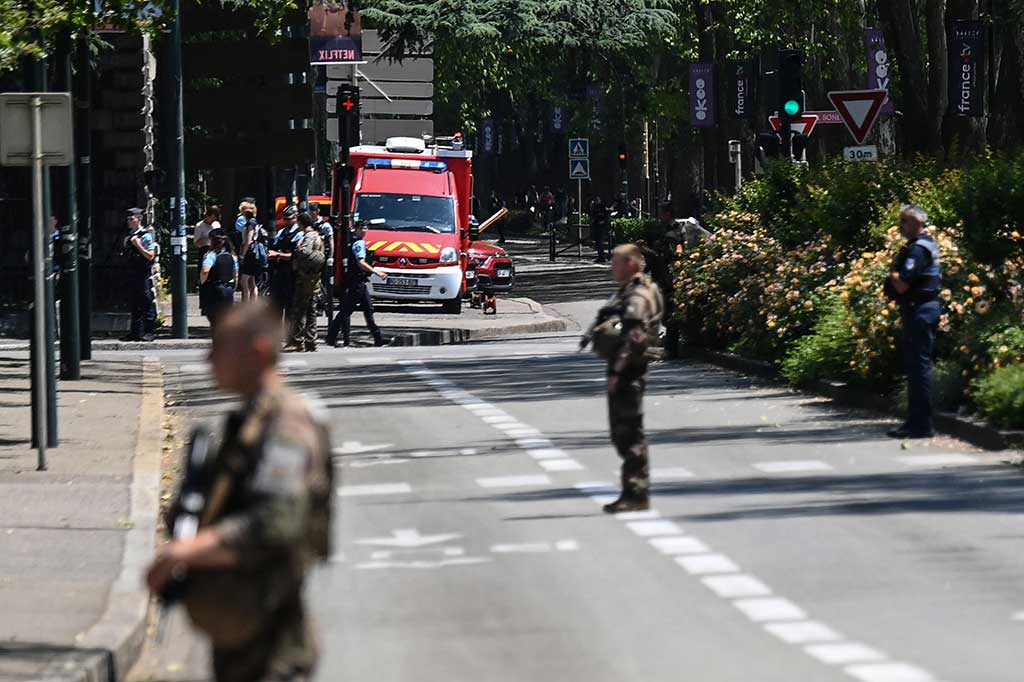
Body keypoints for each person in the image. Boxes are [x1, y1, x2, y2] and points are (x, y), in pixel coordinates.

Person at [146, 301, 333, 682]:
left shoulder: (286, 425)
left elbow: (277, 521)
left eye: (220, 346)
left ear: (257, 352)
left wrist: (184, 552)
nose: (209, 357)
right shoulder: (251, 419)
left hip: (271, 637)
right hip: (242, 625)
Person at [582, 244, 663, 513]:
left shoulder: (638, 294)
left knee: (628, 432)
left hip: (628, 368)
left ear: (631, 263)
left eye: (616, 262)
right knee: (624, 433)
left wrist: (618, 370)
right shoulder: (632, 288)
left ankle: (636, 493)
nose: (611, 267)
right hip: (628, 367)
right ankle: (633, 491)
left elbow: (636, 335)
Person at [885, 205, 942, 439]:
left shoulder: (918, 249)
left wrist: (892, 273)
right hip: (922, 309)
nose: (901, 225)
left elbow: (903, 284)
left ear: (918, 222)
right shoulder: (927, 244)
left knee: (918, 369)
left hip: (920, 310)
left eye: (905, 221)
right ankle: (916, 422)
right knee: (917, 367)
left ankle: (920, 424)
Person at [326, 220, 388, 347]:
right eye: (362, 228)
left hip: (359, 281)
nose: (364, 230)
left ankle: (378, 338)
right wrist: (376, 272)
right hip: (357, 282)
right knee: (346, 311)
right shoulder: (358, 242)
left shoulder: (352, 240)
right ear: (356, 229)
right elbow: (361, 263)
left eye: (366, 227)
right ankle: (331, 337)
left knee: (368, 309)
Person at [638, 201, 684, 357]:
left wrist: (646, 251)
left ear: (668, 213)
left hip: (669, 276)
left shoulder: (674, 233)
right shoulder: (662, 230)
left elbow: (664, 256)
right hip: (660, 276)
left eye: (661, 212)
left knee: (669, 310)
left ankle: (671, 348)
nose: (659, 215)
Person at [284, 213, 325, 353]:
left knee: (299, 310)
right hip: (315, 278)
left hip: (304, 279)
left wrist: (298, 247)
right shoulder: (318, 236)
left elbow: (304, 252)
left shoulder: (307, 237)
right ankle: (311, 341)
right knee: (311, 311)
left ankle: (297, 341)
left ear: (301, 223)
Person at [121, 207, 157, 342]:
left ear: (139, 219)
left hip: (143, 273)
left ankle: (149, 331)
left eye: (131, 219)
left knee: (146, 301)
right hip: (132, 271)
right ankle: (136, 332)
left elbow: (150, 256)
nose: (129, 222)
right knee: (134, 302)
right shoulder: (130, 235)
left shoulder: (145, 235)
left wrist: (138, 244)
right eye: (128, 219)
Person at [199, 228, 237, 332]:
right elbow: (235, 273)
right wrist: (233, 285)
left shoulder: (211, 255)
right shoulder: (232, 256)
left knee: (214, 318)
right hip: (228, 288)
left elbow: (205, 270)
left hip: (215, 289)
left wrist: (202, 282)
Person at [268, 205, 303, 317]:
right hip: (279, 273)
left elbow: (295, 256)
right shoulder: (281, 232)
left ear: (296, 217)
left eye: (289, 219)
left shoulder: (299, 234)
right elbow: (274, 247)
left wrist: (278, 254)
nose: (287, 221)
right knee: (276, 306)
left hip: (291, 274)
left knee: (290, 307)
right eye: (285, 219)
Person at [238, 201, 267, 302]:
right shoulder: (254, 222)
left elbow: (249, 241)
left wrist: (242, 254)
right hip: (253, 254)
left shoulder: (251, 223)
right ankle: (252, 304)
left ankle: (246, 303)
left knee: (244, 280)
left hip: (251, 254)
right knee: (252, 281)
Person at [310, 203, 334, 318]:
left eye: (314, 210)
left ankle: (321, 306)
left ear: (318, 211)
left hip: (322, 257)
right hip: (311, 258)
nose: (312, 213)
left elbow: (330, 241)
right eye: (311, 210)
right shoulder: (309, 224)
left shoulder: (325, 225)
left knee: (322, 283)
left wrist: (330, 257)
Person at [590, 195, 610, 263]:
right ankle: (600, 256)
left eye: (598, 199)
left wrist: (603, 222)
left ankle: (602, 257)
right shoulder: (594, 207)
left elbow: (607, 216)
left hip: (602, 227)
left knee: (600, 242)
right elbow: (593, 216)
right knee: (597, 243)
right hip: (596, 226)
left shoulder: (603, 207)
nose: (596, 201)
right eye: (595, 199)